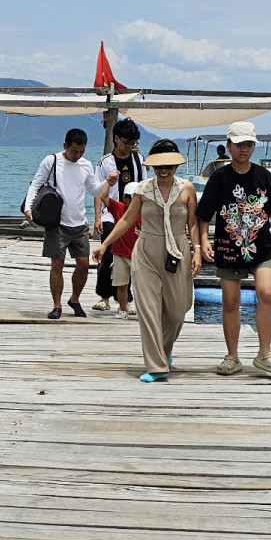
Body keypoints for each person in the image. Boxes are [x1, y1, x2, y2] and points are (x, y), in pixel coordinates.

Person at [196, 121, 271, 375]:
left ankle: (264, 352)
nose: (244, 149)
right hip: (229, 247)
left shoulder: (263, 175)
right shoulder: (219, 177)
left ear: (254, 146)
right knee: (230, 301)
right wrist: (204, 241)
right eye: (239, 144)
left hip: (261, 246)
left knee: (266, 292)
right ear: (229, 146)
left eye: (249, 144)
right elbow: (204, 214)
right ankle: (232, 356)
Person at [93, 140, 200, 382]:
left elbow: (192, 224)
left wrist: (198, 250)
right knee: (149, 310)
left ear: (176, 165)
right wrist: (104, 244)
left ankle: (164, 351)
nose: (163, 170)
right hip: (146, 251)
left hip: (178, 251)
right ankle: (157, 366)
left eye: (168, 165)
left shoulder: (187, 189)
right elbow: (126, 221)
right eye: (158, 166)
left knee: (178, 310)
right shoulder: (142, 190)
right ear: (151, 166)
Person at [23, 127, 98, 319]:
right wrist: (28, 208)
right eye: (74, 151)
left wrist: (109, 182)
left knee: (83, 264)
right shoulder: (52, 161)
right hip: (57, 222)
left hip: (80, 223)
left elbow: (95, 189)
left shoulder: (86, 165)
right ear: (65, 146)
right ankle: (57, 305)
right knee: (57, 263)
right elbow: (37, 183)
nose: (78, 155)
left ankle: (75, 299)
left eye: (82, 152)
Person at [91, 118, 145, 314]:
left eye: (133, 143)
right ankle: (104, 297)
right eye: (126, 143)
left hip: (134, 216)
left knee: (132, 257)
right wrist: (97, 217)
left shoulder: (139, 159)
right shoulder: (105, 162)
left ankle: (126, 299)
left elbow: (145, 186)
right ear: (116, 139)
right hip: (111, 215)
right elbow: (98, 190)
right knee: (107, 256)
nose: (129, 147)